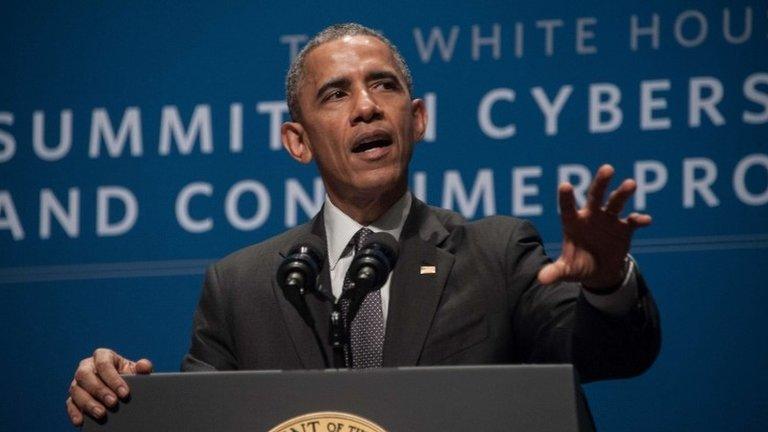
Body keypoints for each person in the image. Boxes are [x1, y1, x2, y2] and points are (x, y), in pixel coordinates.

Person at [66, 23, 660, 427]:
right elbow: (203, 419)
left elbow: (607, 354)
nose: (367, 106)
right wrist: (121, 397)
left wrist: (607, 286)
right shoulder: (240, 286)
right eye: (335, 94)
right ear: (297, 142)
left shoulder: (497, 253)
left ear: (417, 117)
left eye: (384, 85)